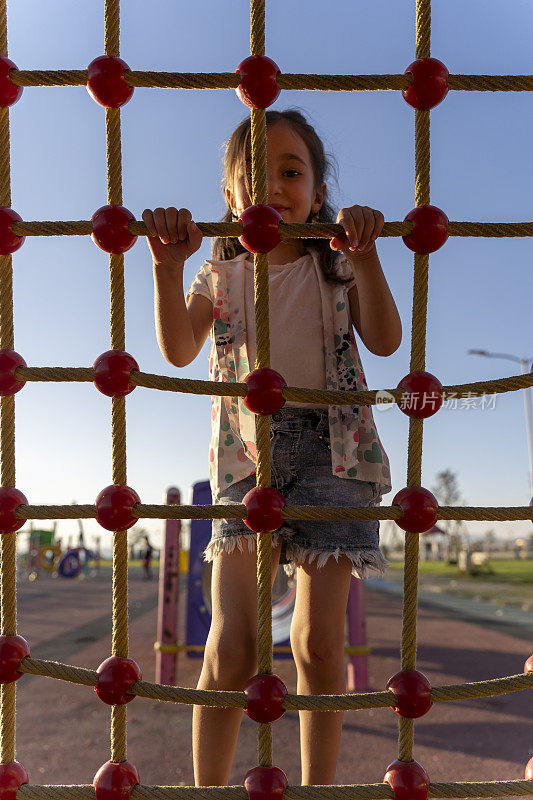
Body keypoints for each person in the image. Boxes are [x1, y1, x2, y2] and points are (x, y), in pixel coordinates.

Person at [143, 108, 401, 787]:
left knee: (317, 644)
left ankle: (318, 786)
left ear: (317, 193)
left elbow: (383, 339)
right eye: (252, 175)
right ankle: (209, 787)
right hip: (246, 462)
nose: (273, 185)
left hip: (334, 457)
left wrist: (367, 257)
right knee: (232, 647)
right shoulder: (218, 277)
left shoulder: (335, 268)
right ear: (230, 199)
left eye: (291, 171)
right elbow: (175, 348)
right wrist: (167, 270)